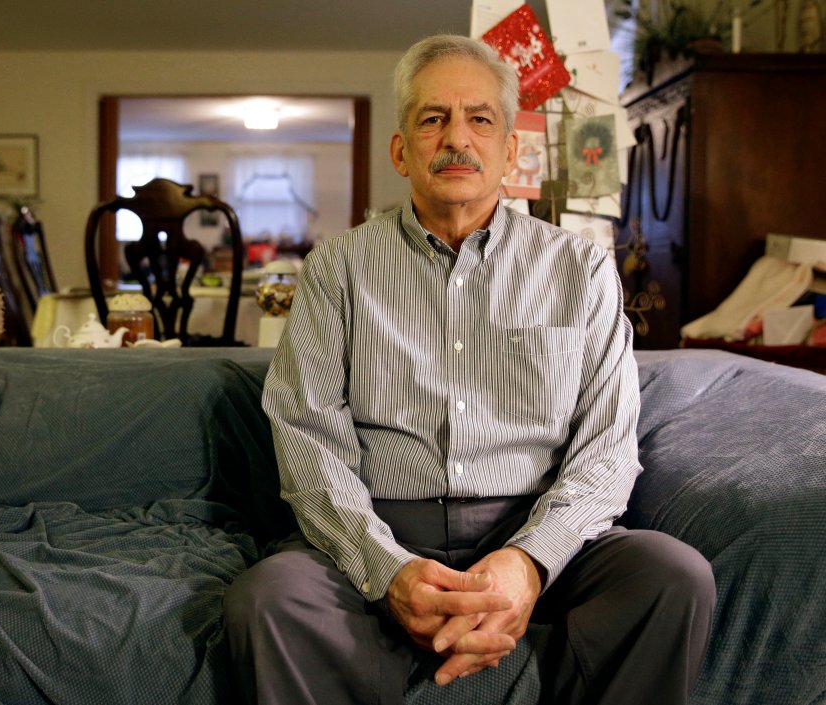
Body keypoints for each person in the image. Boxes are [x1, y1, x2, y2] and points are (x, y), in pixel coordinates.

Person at [223, 34, 715, 705]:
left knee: (672, 576)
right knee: (268, 599)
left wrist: (529, 563)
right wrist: (389, 570)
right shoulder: (338, 269)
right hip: (383, 525)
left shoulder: (581, 270)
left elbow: (607, 448)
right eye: (433, 119)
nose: (457, 138)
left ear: (511, 152)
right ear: (402, 149)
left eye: (480, 119)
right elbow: (307, 440)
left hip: (531, 524)